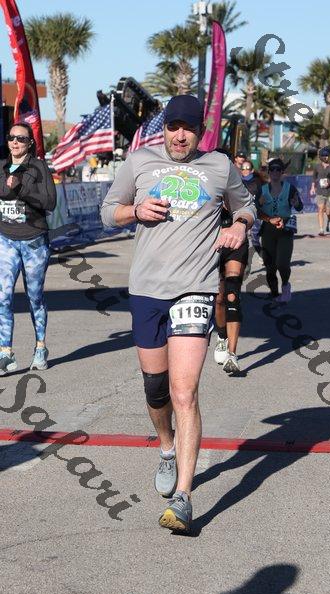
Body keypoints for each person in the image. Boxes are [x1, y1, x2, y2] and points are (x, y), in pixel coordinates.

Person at [101, 95, 255, 532]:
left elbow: (246, 206)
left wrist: (239, 224)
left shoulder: (219, 166)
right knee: (156, 390)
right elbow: (107, 212)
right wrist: (135, 210)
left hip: (196, 289)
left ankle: (183, 498)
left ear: (200, 131)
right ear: (164, 128)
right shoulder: (139, 162)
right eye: (174, 127)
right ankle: (166, 446)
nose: (181, 136)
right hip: (147, 291)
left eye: (189, 128)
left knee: (184, 392)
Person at [0, 122, 56, 375]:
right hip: (5, 240)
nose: (15, 142)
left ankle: (40, 348)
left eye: (21, 139)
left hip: (34, 241)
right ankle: (5, 353)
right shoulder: (1, 167)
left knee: (34, 297)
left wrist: (21, 189)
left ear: (30, 143)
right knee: (3, 296)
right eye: (11, 137)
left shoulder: (39, 167)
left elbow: (50, 202)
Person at [214, 159, 262, 373]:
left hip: (235, 244)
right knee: (219, 298)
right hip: (213, 245)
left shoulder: (240, 187)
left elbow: (254, 209)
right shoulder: (205, 186)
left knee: (232, 294)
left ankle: (232, 355)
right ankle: (222, 336)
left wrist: (270, 219)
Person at [258, 158, 303, 303]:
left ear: (282, 172)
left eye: (278, 169)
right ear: (269, 172)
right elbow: (255, 210)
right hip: (268, 228)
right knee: (269, 265)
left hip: (285, 228)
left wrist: (296, 203)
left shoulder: (290, 188)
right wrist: (259, 205)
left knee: (282, 263)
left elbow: (299, 207)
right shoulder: (262, 190)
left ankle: (285, 286)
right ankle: (274, 292)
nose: (275, 172)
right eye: (272, 169)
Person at [310, 147, 330, 236]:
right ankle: (321, 229)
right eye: (324, 156)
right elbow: (314, 177)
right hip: (320, 191)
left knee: (328, 211)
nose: (326, 157)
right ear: (321, 157)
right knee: (320, 209)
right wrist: (312, 187)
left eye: (327, 155)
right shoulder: (317, 166)